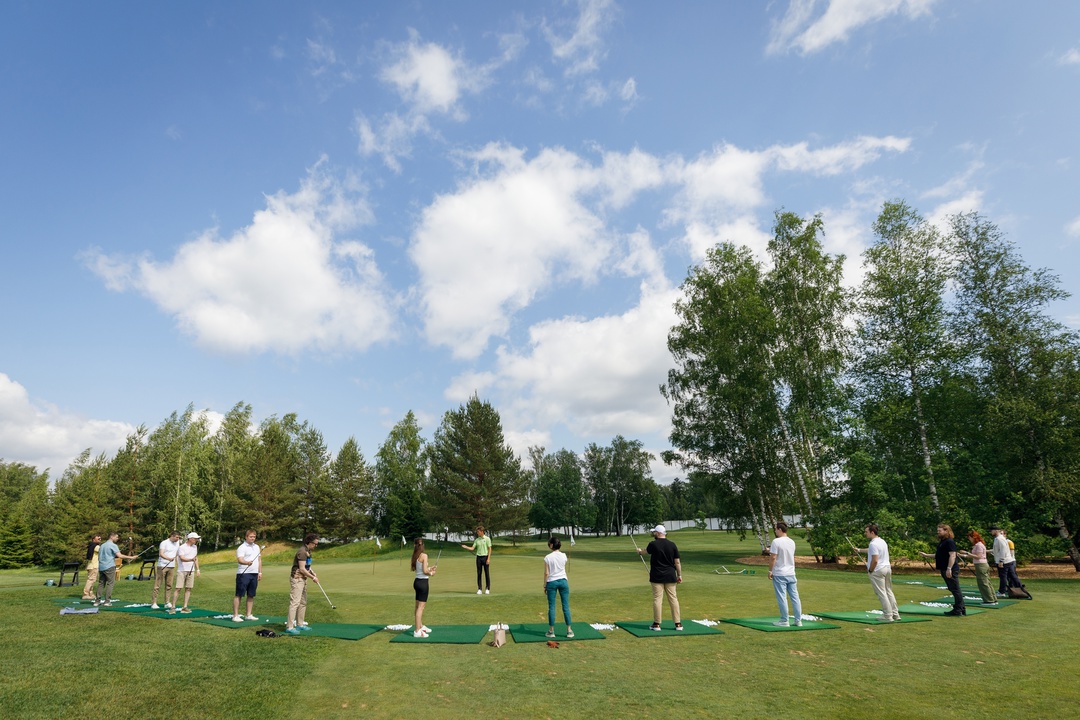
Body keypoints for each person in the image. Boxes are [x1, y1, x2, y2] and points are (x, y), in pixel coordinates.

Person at [636, 524, 683, 631]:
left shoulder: (653, 544)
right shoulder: (672, 545)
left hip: (657, 575)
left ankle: (657, 624)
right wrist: (679, 575)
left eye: (654, 532)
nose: (653, 534)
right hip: (670, 575)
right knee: (673, 599)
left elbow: (645, 552)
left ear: (658, 533)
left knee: (657, 599)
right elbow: (677, 562)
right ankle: (678, 624)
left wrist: (639, 552)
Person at [854, 524, 900, 621]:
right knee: (888, 591)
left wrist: (870, 570)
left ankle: (888, 616)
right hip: (887, 569)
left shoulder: (873, 543)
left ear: (872, 532)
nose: (865, 533)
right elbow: (871, 551)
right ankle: (895, 614)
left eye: (866, 532)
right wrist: (859, 550)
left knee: (881, 593)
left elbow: (875, 560)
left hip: (878, 570)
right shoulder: (882, 541)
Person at [919, 524, 965, 616]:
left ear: (946, 531)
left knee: (955, 589)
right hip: (945, 568)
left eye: (940, 531)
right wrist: (926, 555)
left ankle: (959, 609)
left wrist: (949, 568)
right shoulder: (943, 542)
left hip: (950, 569)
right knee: (953, 589)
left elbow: (953, 555)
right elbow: (939, 555)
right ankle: (961, 608)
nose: (938, 532)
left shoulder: (949, 542)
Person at [768, 522, 802, 627]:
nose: (775, 531)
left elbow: (773, 557)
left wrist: (770, 571)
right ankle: (798, 620)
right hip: (791, 573)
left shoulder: (776, 541)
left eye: (776, 529)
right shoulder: (792, 542)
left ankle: (784, 620)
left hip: (780, 573)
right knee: (795, 597)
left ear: (780, 529)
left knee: (782, 597)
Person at [285, 534, 321, 635]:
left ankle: (300, 624)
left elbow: (306, 566)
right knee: (295, 602)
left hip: (303, 578)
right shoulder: (302, 551)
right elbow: (301, 568)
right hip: (297, 579)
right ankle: (290, 626)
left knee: (303, 602)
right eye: (315, 544)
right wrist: (313, 577)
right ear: (310, 542)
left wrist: (312, 572)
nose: (316, 546)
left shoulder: (308, 551)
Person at [94, 532, 136, 606]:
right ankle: (107, 601)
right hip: (109, 567)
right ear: (112, 537)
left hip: (101, 567)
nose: (117, 538)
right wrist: (131, 557)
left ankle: (97, 601)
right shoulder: (113, 545)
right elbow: (120, 556)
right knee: (110, 583)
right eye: (116, 537)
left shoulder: (102, 545)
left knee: (101, 584)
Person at [543, 536, 573, 638]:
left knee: (552, 607)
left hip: (551, 582)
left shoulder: (547, 557)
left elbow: (547, 573)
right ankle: (569, 631)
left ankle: (551, 631)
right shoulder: (564, 556)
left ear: (551, 545)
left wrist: (544, 585)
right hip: (564, 582)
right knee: (566, 606)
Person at [957, 530, 997, 605]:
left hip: (981, 565)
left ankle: (989, 600)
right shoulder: (978, 545)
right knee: (987, 582)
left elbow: (978, 556)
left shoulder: (979, 545)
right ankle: (993, 599)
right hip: (982, 564)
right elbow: (973, 556)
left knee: (983, 583)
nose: (969, 539)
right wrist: (961, 555)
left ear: (973, 537)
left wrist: (966, 552)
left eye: (969, 538)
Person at [232, 530, 262, 622]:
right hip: (243, 573)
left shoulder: (257, 547)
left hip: (254, 574)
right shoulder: (242, 547)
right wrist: (246, 562)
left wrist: (260, 572)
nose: (252, 538)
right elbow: (240, 560)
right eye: (251, 537)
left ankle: (248, 614)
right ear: (246, 537)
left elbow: (259, 560)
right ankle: (235, 616)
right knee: (239, 594)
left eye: (254, 536)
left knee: (251, 595)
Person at [410, 537, 437, 638]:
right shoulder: (424, 555)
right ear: (422, 545)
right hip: (423, 583)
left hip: (417, 582)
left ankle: (420, 626)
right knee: (421, 607)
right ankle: (417, 631)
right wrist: (431, 572)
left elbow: (422, 569)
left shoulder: (415, 555)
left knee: (417, 606)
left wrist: (430, 568)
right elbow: (425, 571)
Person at [170, 532, 201, 614]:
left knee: (188, 588)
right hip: (182, 570)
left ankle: (185, 607)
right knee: (178, 588)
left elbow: (196, 558)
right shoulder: (182, 547)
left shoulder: (195, 547)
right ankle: (173, 607)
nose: (197, 540)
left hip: (191, 570)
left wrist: (198, 569)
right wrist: (191, 560)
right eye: (195, 539)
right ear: (190, 539)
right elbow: (182, 558)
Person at [152, 531, 181, 609]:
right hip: (162, 566)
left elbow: (177, 555)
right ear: (172, 536)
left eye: (178, 537)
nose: (178, 539)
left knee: (169, 585)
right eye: (177, 537)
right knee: (158, 585)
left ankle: (167, 602)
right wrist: (168, 558)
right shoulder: (164, 543)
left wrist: (179, 565)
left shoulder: (177, 543)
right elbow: (161, 554)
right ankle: (154, 603)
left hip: (171, 566)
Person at [990, 526, 1021, 596]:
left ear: (996, 531)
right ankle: (1020, 588)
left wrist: (1001, 560)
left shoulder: (1000, 539)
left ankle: (1002, 591)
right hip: (1006, 560)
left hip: (1005, 561)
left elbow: (1003, 550)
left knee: (1003, 576)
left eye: (991, 530)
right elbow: (997, 550)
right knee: (1012, 576)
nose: (991, 532)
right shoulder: (998, 539)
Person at [461, 526, 492, 595]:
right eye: (477, 532)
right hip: (478, 558)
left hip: (485, 557)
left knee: (487, 573)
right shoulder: (477, 540)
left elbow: (489, 549)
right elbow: (472, 548)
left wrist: (488, 558)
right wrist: (466, 547)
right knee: (479, 573)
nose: (477, 533)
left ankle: (487, 588)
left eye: (478, 532)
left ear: (482, 531)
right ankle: (479, 589)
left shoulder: (487, 539)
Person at [81, 534, 101, 600]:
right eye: (98, 539)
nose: (100, 539)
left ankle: (90, 593)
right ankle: (86, 594)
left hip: (91, 565)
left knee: (92, 580)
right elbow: (102, 551)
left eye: (100, 539)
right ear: (93, 539)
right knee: (91, 580)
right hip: (93, 566)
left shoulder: (91, 545)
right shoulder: (96, 546)